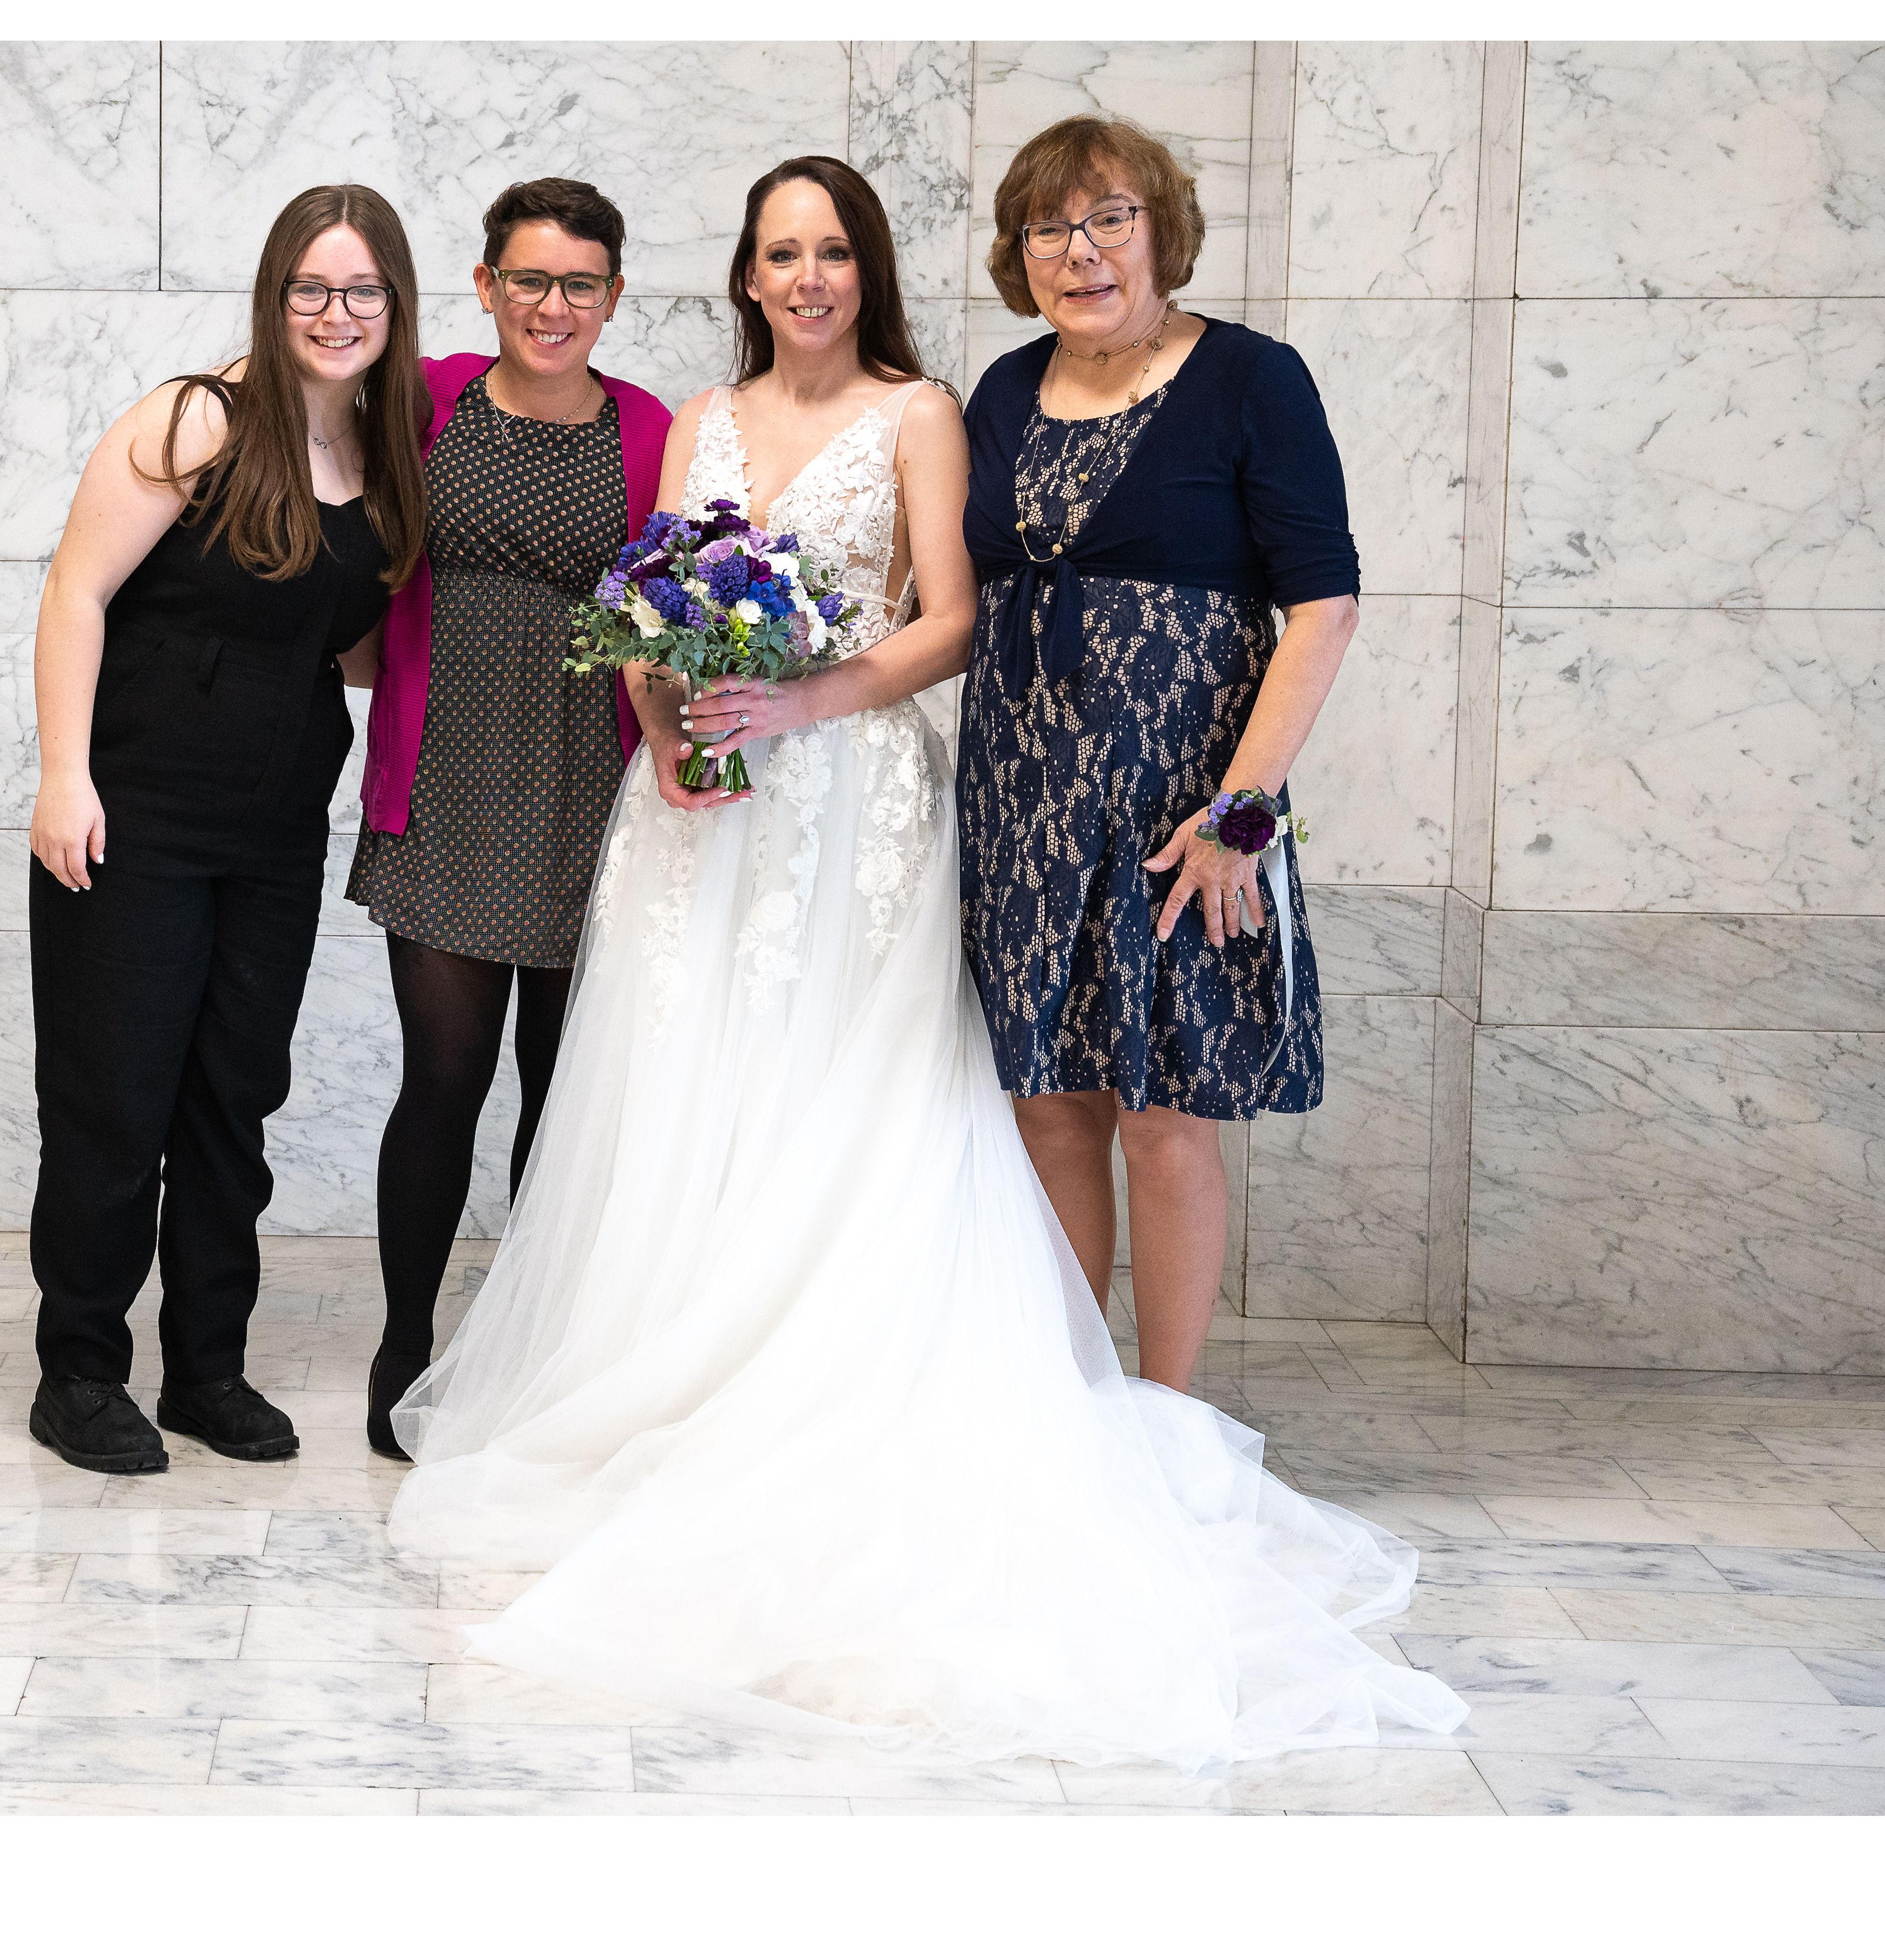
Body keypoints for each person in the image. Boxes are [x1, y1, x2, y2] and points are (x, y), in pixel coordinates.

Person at [381, 155, 1461, 1773]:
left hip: (946, 792)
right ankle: (716, 1383)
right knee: (789, 1091)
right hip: (818, 802)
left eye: (830, 249)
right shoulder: (786, 409)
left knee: (1003, 1101)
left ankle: (1121, 1417)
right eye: (777, 251)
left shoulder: (959, 404)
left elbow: (971, 611)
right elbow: (670, 602)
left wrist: (811, 706)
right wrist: (675, 724)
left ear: (865, 266)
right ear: (745, 273)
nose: (804, 274)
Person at [22, 186, 422, 1476]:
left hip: (273, 834)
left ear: (395, 307)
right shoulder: (198, 417)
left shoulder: (381, 450)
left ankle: (206, 1370)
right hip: (133, 819)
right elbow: (77, 589)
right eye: (313, 287)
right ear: (275, 293)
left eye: (363, 291)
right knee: (113, 1102)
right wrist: (62, 778)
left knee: (230, 1104)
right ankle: (81, 1372)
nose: (337, 313)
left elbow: (343, 644)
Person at [958, 115, 1361, 1394]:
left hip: (1182, 814)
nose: (1079, 252)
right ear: (1020, 255)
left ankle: (1173, 1416)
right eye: (1048, 229)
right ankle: (1077, 1405)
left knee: (1169, 1114)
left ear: (1160, 232)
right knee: (1049, 1103)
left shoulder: (1253, 379)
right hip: (1021, 799)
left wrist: (1242, 813)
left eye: (1108, 219)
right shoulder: (1005, 391)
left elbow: (1326, 605)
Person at [349, 179, 672, 1457]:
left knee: (563, 1089)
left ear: (613, 296)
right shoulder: (421, 399)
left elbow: (679, 601)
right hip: (442, 785)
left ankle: (530, 1344)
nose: (554, 305)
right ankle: (404, 1340)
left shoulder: (651, 428)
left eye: (579, 284)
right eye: (529, 280)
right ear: (485, 286)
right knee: (444, 1079)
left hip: (596, 796)